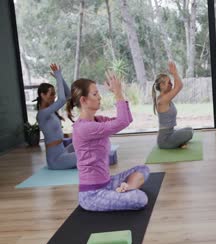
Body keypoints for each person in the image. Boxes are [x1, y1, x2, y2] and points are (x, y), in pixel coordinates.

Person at [66, 71, 149, 211]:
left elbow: (126, 120)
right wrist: (117, 93)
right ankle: (124, 192)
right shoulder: (84, 128)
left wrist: (119, 93)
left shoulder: (97, 120)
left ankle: (125, 189)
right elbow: (122, 121)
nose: (99, 97)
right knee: (140, 199)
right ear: (83, 100)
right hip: (92, 194)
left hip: (108, 183)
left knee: (143, 169)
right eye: (95, 94)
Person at [36, 63, 76, 169]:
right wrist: (58, 75)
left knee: (82, 145)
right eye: (51, 94)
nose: (54, 97)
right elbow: (62, 100)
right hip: (56, 159)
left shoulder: (51, 110)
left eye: (54, 94)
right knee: (87, 155)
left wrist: (60, 78)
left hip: (63, 151)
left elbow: (68, 95)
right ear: (42, 95)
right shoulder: (42, 114)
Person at [152, 61, 193, 149]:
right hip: (165, 139)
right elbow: (179, 86)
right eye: (169, 83)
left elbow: (178, 86)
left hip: (171, 132)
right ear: (162, 85)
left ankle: (178, 143)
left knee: (189, 129)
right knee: (189, 133)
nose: (171, 85)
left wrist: (174, 73)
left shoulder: (165, 97)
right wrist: (174, 73)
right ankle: (177, 144)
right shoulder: (163, 100)